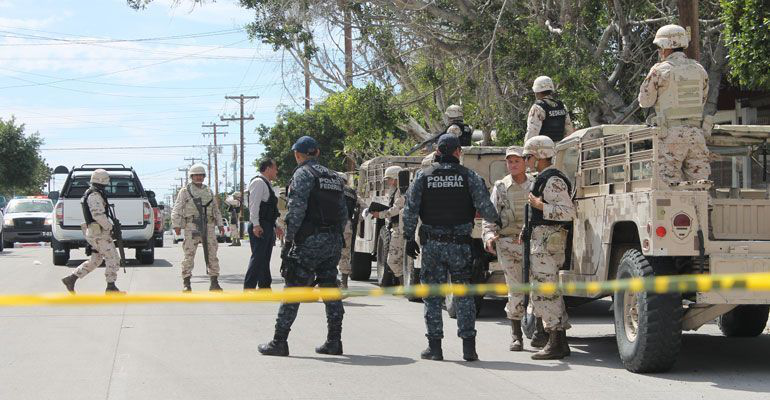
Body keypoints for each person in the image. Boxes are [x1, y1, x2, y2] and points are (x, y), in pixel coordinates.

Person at [402, 134, 499, 362]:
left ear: (437, 151)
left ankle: (435, 348)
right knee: (463, 295)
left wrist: (408, 237)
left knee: (432, 296)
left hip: (432, 246)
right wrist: (499, 222)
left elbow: (410, 210)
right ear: (458, 152)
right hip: (460, 246)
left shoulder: (423, 176)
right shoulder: (470, 176)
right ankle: (469, 348)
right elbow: (487, 209)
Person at [258, 136, 348, 357]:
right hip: (333, 241)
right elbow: (344, 213)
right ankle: (334, 341)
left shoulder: (303, 174)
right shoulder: (334, 177)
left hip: (309, 241)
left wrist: (288, 242)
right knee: (330, 288)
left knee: (293, 289)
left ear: (298, 155)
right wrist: (335, 238)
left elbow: (296, 210)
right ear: (317, 153)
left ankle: (279, 342)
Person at [522, 136, 574, 360]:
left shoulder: (553, 180)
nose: (526, 161)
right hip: (541, 240)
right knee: (545, 290)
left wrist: (540, 205)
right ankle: (558, 340)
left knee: (547, 291)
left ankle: (555, 343)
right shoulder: (543, 178)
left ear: (540, 155)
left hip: (548, 242)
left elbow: (568, 212)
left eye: (528, 156)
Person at [638, 24, 710, 184]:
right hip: (697, 135)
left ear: (666, 46)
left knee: (669, 186)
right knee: (701, 186)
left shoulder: (659, 71)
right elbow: (703, 99)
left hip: (670, 136)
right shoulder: (699, 70)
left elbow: (645, 101)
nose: (659, 51)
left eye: (659, 47)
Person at [482, 146, 532, 351]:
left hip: (533, 244)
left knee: (538, 289)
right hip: (509, 243)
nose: (513, 165)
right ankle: (516, 335)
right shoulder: (501, 187)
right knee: (516, 288)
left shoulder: (535, 184)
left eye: (517, 161)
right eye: (510, 162)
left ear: (525, 162)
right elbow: (490, 215)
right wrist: (488, 236)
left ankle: (539, 331)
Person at [61, 169, 123, 293]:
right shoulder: (94, 195)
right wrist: (110, 227)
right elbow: (98, 215)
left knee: (96, 260)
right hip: (99, 233)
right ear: (102, 180)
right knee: (113, 258)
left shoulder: (94, 193)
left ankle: (71, 279)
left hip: (95, 233)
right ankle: (111, 288)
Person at [171, 164, 225, 292]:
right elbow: (177, 208)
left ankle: (214, 282)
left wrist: (220, 224)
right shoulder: (185, 191)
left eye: (201, 175)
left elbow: (215, 209)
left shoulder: (209, 191)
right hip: (192, 225)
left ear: (204, 176)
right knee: (189, 254)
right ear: (191, 176)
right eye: (196, 175)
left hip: (209, 225)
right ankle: (187, 283)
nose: (199, 177)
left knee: (212, 254)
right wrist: (176, 225)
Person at [244, 158, 284, 290]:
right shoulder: (258, 182)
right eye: (275, 168)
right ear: (268, 168)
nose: (277, 171)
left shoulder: (267, 184)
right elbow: (254, 205)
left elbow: (270, 210)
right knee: (258, 258)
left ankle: (265, 286)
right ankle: (248, 288)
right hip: (260, 225)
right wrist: (256, 225)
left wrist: (276, 226)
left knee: (264, 258)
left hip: (267, 224)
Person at [371, 166, 406, 283]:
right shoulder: (395, 190)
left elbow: (396, 209)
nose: (388, 182)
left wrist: (380, 214)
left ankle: (403, 285)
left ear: (396, 178)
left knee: (393, 261)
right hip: (396, 228)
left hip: (400, 229)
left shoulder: (402, 191)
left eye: (389, 179)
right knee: (396, 261)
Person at [525, 76, 575, 143]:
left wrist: (526, 147)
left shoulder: (537, 107)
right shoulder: (562, 106)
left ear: (537, 92)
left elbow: (532, 132)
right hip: (560, 146)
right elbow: (569, 130)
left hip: (543, 147)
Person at [336, 172, 358, 289]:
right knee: (345, 254)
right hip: (347, 225)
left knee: (331, 252)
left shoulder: (334, 189)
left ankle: (329, 281)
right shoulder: (352, 192)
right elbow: (362, 207)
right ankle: (344, 283)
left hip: (334, 224)